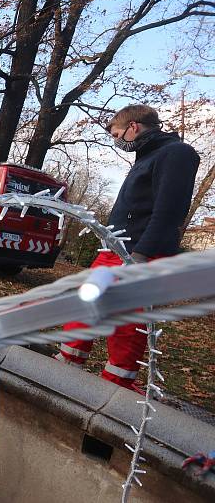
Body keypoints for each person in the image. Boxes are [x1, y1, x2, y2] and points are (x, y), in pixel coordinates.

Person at [56, 104, 200, 390]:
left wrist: (140, 256)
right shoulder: (148, 156)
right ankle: (66, 366)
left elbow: (169, 211)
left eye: (118, 134)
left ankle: (115, 387)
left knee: (126, 323)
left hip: (142, 253)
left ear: (134, 127)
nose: (117, 141)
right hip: (117, 250)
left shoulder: (176, 154)